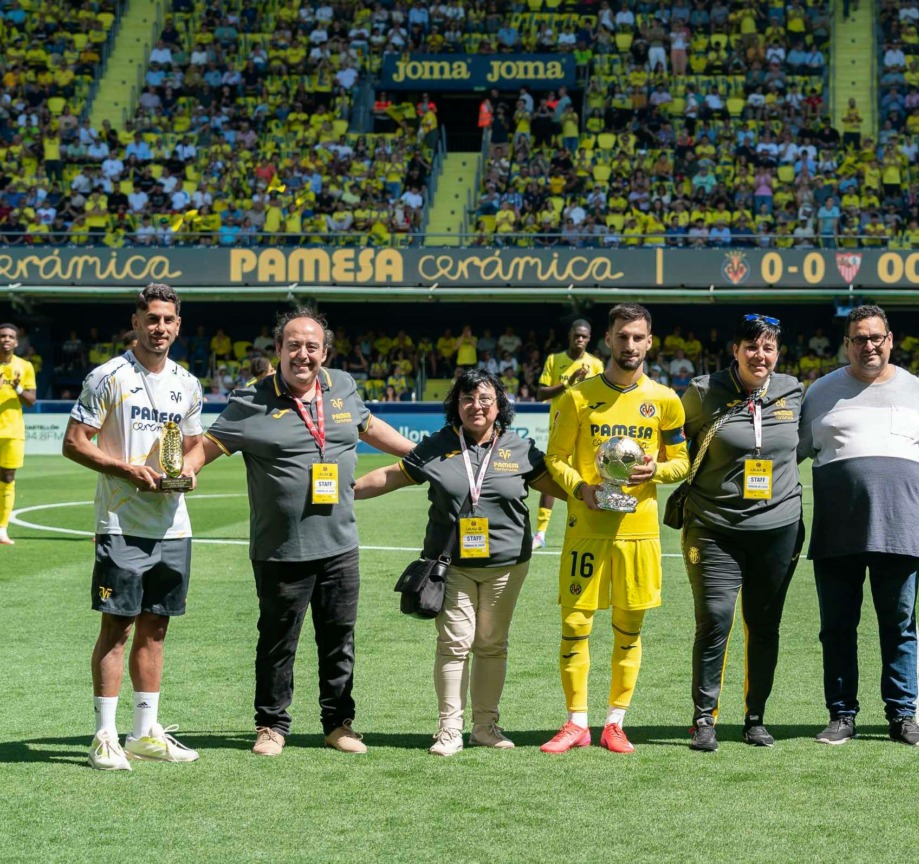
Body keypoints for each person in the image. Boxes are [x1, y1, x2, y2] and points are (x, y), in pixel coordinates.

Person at [189, 307, 415, 757]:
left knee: (339, 640)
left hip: (340, 545)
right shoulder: (251, 399)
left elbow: (370, 427)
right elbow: (208, 447)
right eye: (293, 345)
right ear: (278, 351)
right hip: (280, 550)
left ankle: (339, 724)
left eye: (312, 346)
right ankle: (271, 726)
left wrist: (421, 452)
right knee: (277, 642)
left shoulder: (343, 387)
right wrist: (186, 469)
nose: (303, 354)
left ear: (325, 353)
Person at [353, 369, 567, 755]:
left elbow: (557, 485)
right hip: (451, 565)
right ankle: (449, 729)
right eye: (467, 399)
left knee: (492, 644)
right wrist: (343, 492)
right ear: (456, 406)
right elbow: (392, 476)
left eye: (485, 399)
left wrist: (594, 494)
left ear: (499, 405)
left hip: (507, 565)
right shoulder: (438, 444)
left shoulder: (520, 447)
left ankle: (486, 726)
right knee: (454, 643)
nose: (476, 406)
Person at [798, 305, 919, 747]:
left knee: (899, 627)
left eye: (876, 337)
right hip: (837, 533)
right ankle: (841, 714)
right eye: (859, 338)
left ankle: (902, 716)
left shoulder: (916, 390)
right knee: (837, 628)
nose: (868, 346)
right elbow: (790, 454)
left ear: (890, 339)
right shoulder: (819, 392)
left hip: (899, 530)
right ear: (847, 344)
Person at [61, 283, 204, 770]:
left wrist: (188, 472)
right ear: (136, 322)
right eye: (151, 318)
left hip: (173, 526)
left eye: (168, 319)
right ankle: (104, 734)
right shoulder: (109, 377)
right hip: (121, 521)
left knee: (156, 628)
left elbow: (192, 445)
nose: (159, 327)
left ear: (178, 326)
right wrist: (125, 469)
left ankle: (144, 732)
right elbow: (75, 442)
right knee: (118, 628)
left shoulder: (188, 383)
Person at [540, 304, 689, 754]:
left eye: (638, 337)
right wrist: (580, 487)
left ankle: (615, 723)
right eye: (622, 336)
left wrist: (656, 472)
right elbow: (555, 458)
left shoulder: (665, 400)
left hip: (638, 532)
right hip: (587, 526)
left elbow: (682, 461)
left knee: (629, 629)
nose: (629, 345)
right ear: (608, 339)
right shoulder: (577, 397)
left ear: (649, 341)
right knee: (575, 623)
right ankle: (576, 722)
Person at [679, 314, 804, 752]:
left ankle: (755, 717)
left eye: (768, 348)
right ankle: (703, 719)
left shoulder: (793, 391)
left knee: (764, 624)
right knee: (715, 620)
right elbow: (676, 447)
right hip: (715, 528)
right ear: (735, 350)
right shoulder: (700, 392)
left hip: (778, 529)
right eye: (751, 347)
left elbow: (801, 446)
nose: (760, 355)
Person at [533, 320, 603, 549]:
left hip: (587, 434)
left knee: (588, 481)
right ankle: (540, 534)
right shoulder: (554, 360)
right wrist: (569, 384)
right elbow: (541, 394)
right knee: (552, 479)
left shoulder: (596, 364)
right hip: (560, 431)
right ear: (570, 335)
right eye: (576, 335)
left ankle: (590, 529)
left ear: (589, 338)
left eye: (584, 336)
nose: (579, 340)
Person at [0, 321, 37, 546]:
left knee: (7, 478)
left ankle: (2, 528)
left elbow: (32, 400)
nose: (6, 340)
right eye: (2, 336)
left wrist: (18, 388)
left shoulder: (24, 366)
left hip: (12, 431)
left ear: (16, 341)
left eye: (10, 337)